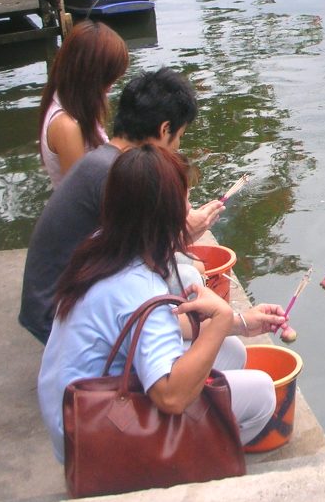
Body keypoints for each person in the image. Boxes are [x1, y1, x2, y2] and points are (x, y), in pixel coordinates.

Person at [37, 144, 286, 463]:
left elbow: (162, 322)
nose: (190, 208)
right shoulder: (140, 288)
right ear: (164, 216)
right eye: (185, 202)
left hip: (74, 416)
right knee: (262, 393)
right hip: (95, 442)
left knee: (231, 350)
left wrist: (240, 323)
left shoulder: (105, 244)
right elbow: (171, 396)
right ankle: (178, 472)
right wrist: (222, 320)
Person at [20, 67, 225, 344]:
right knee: (187, 285)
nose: (177, 147)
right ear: (164, 130)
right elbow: (143, 259)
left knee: (187, 271)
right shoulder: (116, 177)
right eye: (179, 137)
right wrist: (184, 233)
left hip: (52, 298)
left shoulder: (104, 161)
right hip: (57, 314)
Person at [39, 20, 129, 188]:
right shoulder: (66, 126)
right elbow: (81, 192)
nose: (110, 88)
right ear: (90, 77)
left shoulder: (73, 105)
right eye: (107, 80)